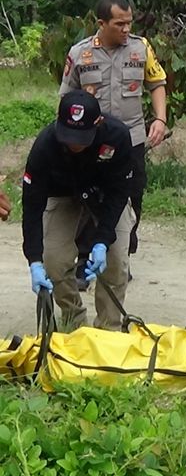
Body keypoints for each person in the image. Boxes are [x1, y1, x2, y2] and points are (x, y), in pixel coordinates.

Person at [60, 0, 168, 289]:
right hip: (90, 142)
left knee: (131, 198)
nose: (126, 30)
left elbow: (157, 83)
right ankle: (84, 260)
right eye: (119, 24)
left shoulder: (141, 48)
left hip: (130, 140)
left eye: (129, 23)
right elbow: (65, 97)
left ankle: (122, 255)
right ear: (101, 23)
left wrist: (159, 119)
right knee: (86, 201)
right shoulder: (80, 54)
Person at [22, 90, 135, 330]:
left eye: (81, 137)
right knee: (52, 260)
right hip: (62, 194)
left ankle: (108, 328)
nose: (74, 144)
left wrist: (103, 240)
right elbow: (32, 206)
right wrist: (34, 260)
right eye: (69, 136)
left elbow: (119, 193)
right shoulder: (45, 146)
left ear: (98, 124)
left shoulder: (117, 136)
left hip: (105, 195)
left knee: (115, 261)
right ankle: (74, 319)